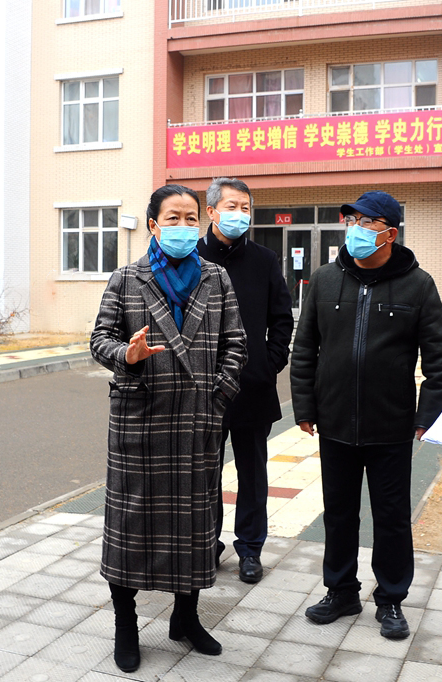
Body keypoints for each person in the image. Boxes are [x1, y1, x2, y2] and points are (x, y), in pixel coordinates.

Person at [90, 184, 247, 672]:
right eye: (172, 218)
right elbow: (99, 339)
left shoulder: (216, 277)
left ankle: (186, 618)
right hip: (141, 424)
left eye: (190, 218)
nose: (183, 226)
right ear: (154, 225)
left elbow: (237, 343)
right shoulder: (126, 278)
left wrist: (217, 395)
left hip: (197, 422)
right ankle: (126, 624)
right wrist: (127, 354)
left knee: (193, 527)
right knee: (130, 527)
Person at [290, 190, 442, 640]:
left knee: (392, 516)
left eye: (366, 223)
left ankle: (391, 598)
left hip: (391, 425)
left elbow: (439, 357)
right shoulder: (325, 280)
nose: (355, 230)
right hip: (335, 422)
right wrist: (304, 406)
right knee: (339, 514)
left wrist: (427, 414)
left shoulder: (418, 285)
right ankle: (341, 591)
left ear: (390, 234)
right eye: (352, 222)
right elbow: (304, 349)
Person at [197, 177, 293, 584]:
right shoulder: (192, 257)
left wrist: (269, 364)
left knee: (253, 473)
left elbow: (282, 319)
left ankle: (250, 549)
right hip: (202, 389)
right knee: (204, 473)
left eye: (246, 208)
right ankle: (207, 544)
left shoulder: (264, 259)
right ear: (211, 211)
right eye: (232, 206)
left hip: (252, 386)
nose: (240, 214)